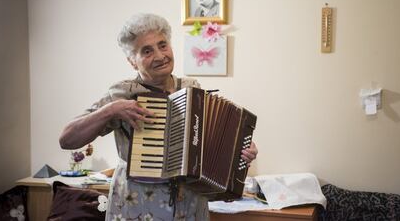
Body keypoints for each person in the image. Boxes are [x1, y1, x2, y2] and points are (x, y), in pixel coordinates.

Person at [59, 13, 258, 221]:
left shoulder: (192, 90)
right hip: (138, 206)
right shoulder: (121, 94)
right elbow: (67, 139)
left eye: (163, 45)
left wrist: (241, 152)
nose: (159, 55)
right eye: (147, 51)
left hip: (190, 206)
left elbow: (211, 147)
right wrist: (111, 110)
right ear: (132, 62)